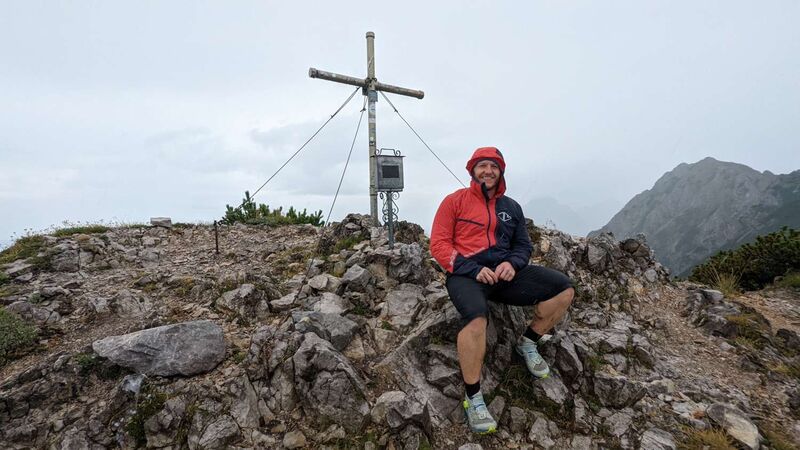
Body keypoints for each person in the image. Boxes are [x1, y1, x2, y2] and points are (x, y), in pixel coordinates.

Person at [430, 146, 575, 434]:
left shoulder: (511, 207)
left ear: (501, 172)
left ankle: (529, 341)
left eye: (494, 166)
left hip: (503, 275)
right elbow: (439, 245)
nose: (488, 171)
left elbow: (523, 246)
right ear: (472, 170)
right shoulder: (454, 201)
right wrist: (472, 269)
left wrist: (513, 262)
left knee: (564, 289)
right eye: (482, 165)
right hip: (466, 276)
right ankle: (473, 397)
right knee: (477, 320)